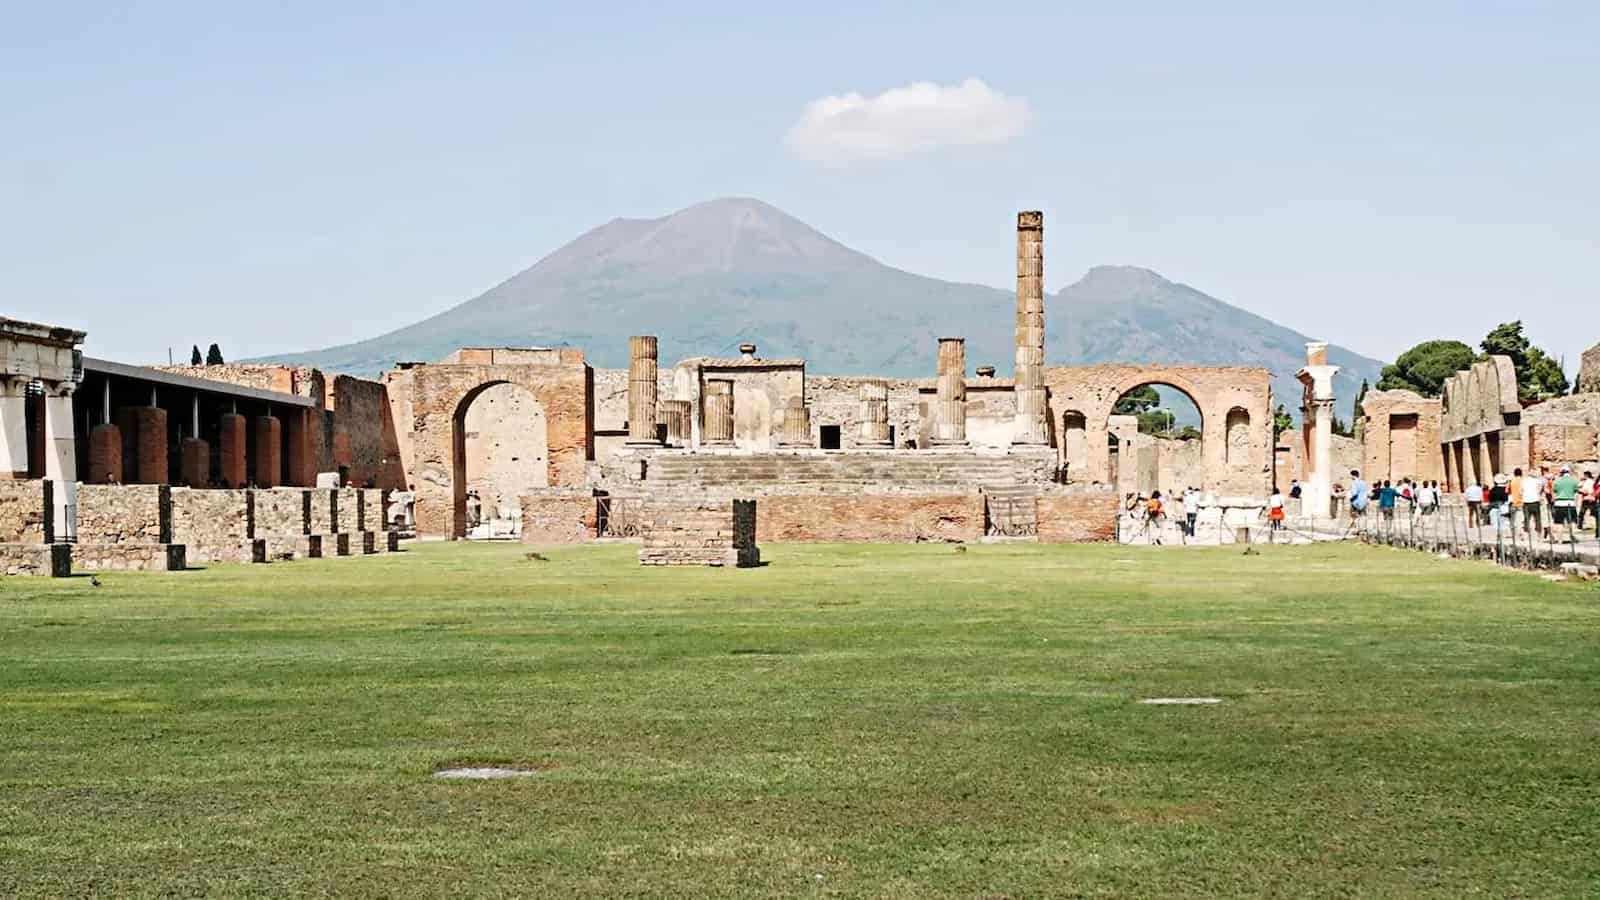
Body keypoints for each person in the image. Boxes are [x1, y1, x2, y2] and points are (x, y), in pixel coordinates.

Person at [1552, 465, 1580, 536]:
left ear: (1561, 473)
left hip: (1559, 503)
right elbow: (1576, 491)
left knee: (1559, 522)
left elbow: (1554, 491)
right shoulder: (1574, 480)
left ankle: (1560, 540)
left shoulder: (1557, 481)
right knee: (1572, 521)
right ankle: (1572, 536)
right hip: (1570, 502)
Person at [1521, 467, 1546, 540]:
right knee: (1537, 518)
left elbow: (1521, 490)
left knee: (1526, 518)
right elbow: (1540, 490)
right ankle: (1539, 535)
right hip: (1535, 501)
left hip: (1526, 501)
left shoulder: (1524, 481)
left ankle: (1526, 535)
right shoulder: (1537, 481)